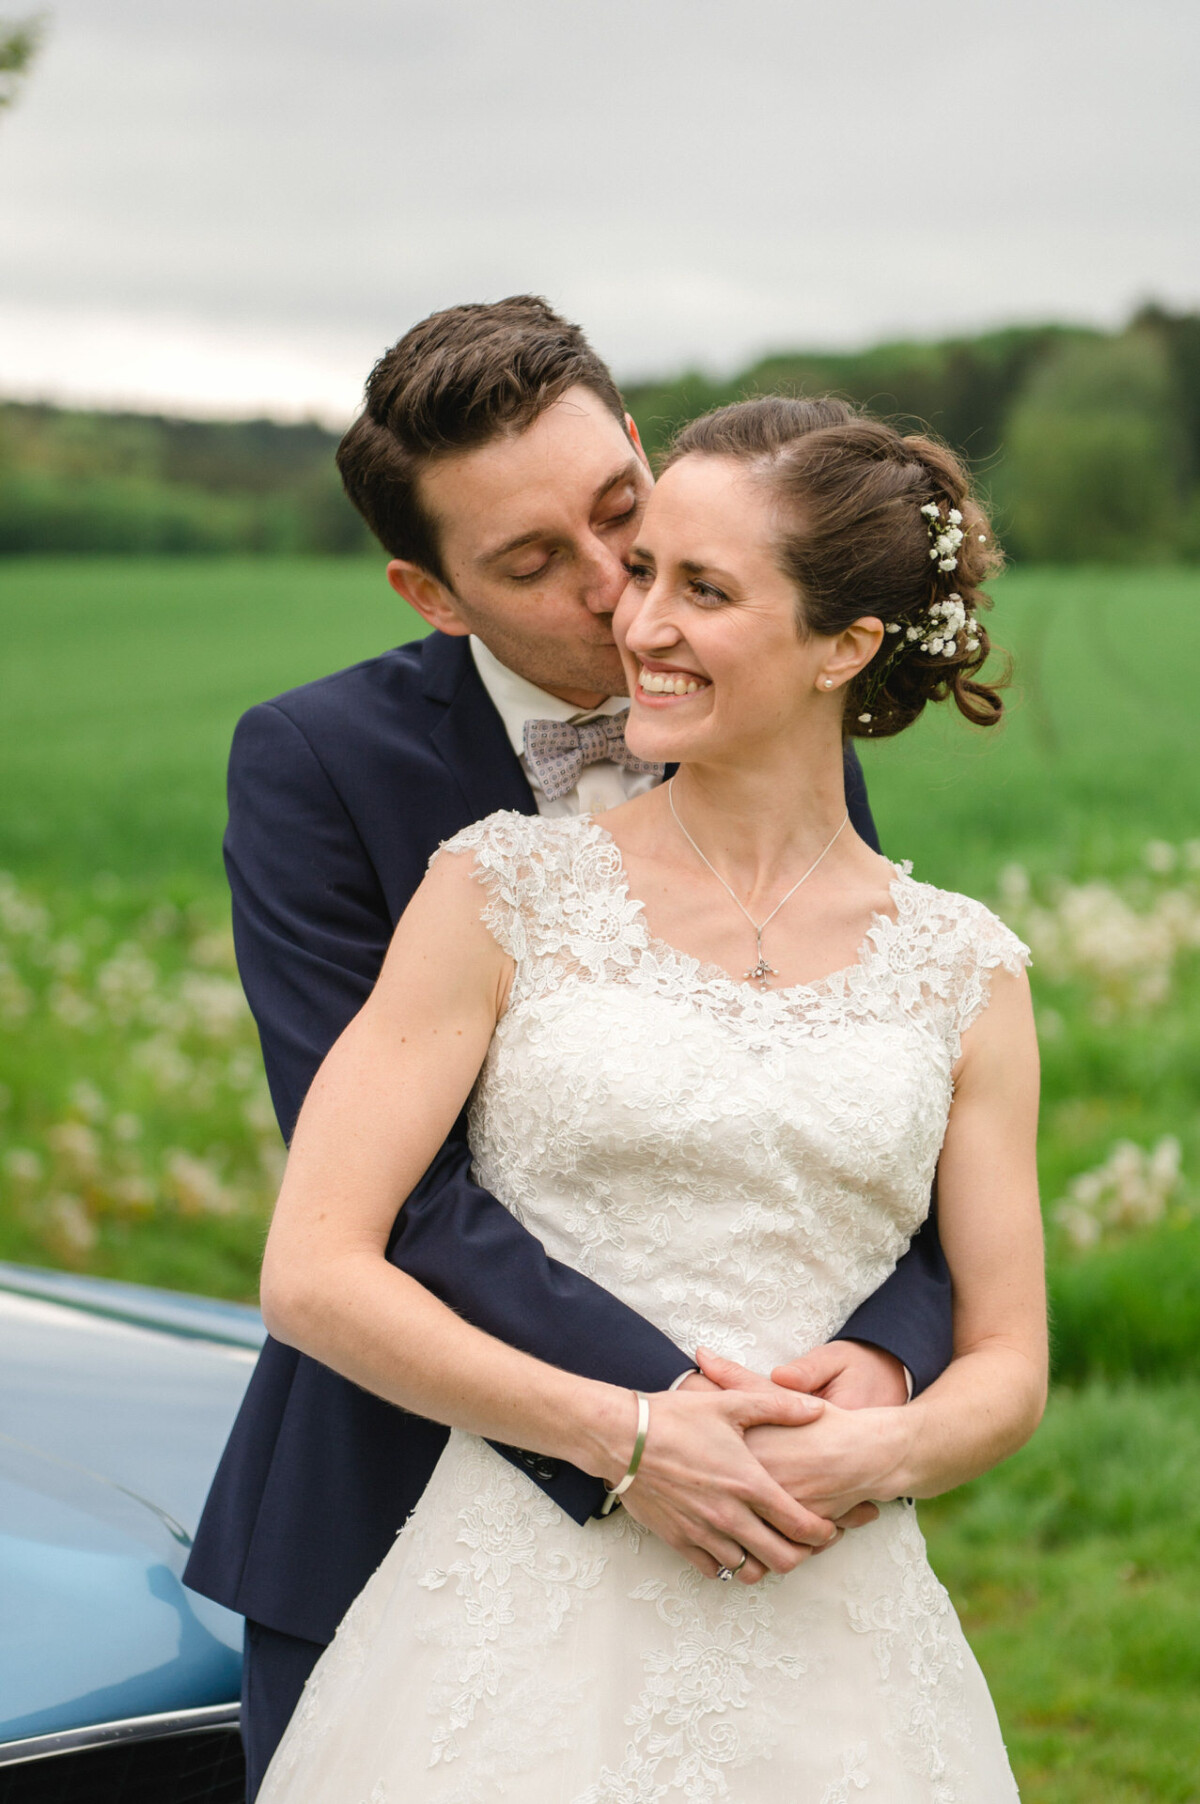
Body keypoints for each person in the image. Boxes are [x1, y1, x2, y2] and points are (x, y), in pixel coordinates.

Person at [182, 299, 956, 1796]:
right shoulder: (320, 765)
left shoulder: (776, 707)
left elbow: (865, 1076)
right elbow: (399, 1202)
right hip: (405, 1510)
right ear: (432, 592)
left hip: (778, 1507)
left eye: (622, 512)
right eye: (535, 563)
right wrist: (661, 1416)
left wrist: (882, 1349)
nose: (618, 594)